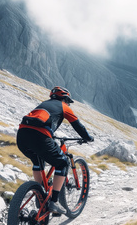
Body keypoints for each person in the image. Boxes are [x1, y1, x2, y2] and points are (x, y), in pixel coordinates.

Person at [16, 86, 94, 215]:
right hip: (40, 136)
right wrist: (88, 137)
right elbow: (77, 125)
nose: (68, 104)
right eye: (68, 101)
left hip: (22, 135)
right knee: (62, 163)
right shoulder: (64, 107)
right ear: (65, 99)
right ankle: (54, 202)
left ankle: (39, 194)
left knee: (37, 160)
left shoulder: (43, 104)